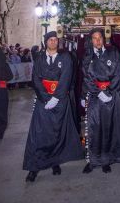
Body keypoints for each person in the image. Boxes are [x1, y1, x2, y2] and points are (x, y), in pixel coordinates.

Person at [23, 31, 83, 182]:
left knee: (58, 133)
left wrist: (56, 98)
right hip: (43, 101)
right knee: (38, 134)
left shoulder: (66, 58)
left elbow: (66, 78)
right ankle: (34, 168)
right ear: (45, 42)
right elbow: (35, 79)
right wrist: (45, 98)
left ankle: (55, 162)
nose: (53, 42)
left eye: (55, 40)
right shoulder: (40, 58)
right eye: (50, 40)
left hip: (60, 101)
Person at [82, 28, 120, 173]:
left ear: (104, 39)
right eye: (94, 38)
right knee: (94, 129)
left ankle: (106, 160)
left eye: (100, 38)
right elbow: (86, 77)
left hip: (112, 96)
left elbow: (119, 73)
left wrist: (108, 92)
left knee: (109, 128)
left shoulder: (113, 52)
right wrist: (98, 92)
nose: (97, 41)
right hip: (95, 97)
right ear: (91, 40)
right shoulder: (87, 57)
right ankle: (93, 160)